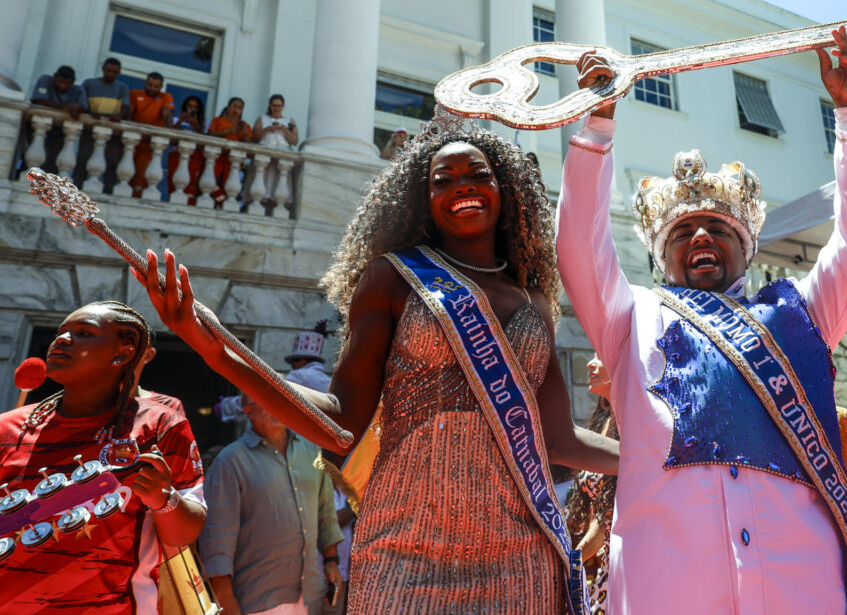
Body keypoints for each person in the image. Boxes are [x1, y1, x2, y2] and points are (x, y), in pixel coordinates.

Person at [136, 107, 619, 614]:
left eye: (479, 174)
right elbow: (341, 421)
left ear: (507, 190)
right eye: (443, 180)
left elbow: (557, 438)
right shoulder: (392, 278)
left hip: (520, 550)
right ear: (423, 199)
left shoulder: (533, 298)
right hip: (404, 545)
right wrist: (215, 348)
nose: (463, 186)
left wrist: (649, 455)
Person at [557, 27, 847, 613]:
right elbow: (580, 251)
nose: (701, 236)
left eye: (718, 228)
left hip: (802, 584)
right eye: (682, 233)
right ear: (662, 259)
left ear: (746, 249)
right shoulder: (631, 316)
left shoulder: (798, 314)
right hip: (669, 585)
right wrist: (597, 130)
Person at [0, 301, 206, 613]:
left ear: (122, 354)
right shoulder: (7, 427)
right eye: (60, 332)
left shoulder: (160, 425)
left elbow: (186, 533)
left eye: (84, 333)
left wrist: (164, 499)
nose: (62, 339)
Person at [200, 393, 343, 615]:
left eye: (282, 401)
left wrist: (331, 561)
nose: (278, 408)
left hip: (310, 594)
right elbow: (218, 536)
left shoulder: (312, 450)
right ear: (249, 412)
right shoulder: (230, 462)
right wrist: (224, 596)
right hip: (256, 599)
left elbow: (326, 511)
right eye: (269, 401)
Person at [565, 355, 618, 615]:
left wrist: (570, 561)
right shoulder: (604, 420)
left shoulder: (635, 425)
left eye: (600, 355)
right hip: (601, 565)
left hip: (623, 565)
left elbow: (607, 517)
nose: (590, 363)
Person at [128, 72, 174, 194]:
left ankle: (136, 197)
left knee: (141, 175)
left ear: (161, 86)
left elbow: (167, 113)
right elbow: (129, 112)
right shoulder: (135, 93)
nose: (152, 89)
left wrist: (170, 129)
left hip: (150, 143)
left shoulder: (166, 96)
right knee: (126, 173)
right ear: (145, 83)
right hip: (133, 139)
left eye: (156, 86)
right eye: (150, 85)